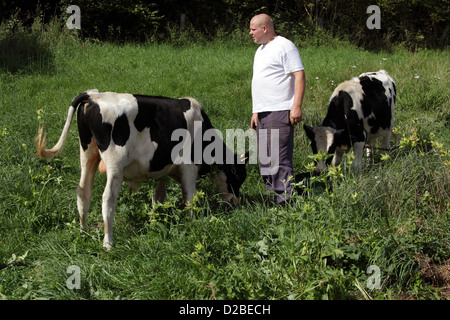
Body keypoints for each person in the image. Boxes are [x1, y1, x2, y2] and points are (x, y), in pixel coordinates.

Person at [249, 13, 305, 205]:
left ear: (265, 28)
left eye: (253, 29)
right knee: (264, 160)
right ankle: (272, 197)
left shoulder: (285, 46)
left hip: (280, 110)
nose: (250, 33)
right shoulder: (260, 51)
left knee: (279, 159)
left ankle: (286, 203)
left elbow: (299, 75)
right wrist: (255, 111)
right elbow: (261, 82)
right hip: (263, 113)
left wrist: (296, 106)